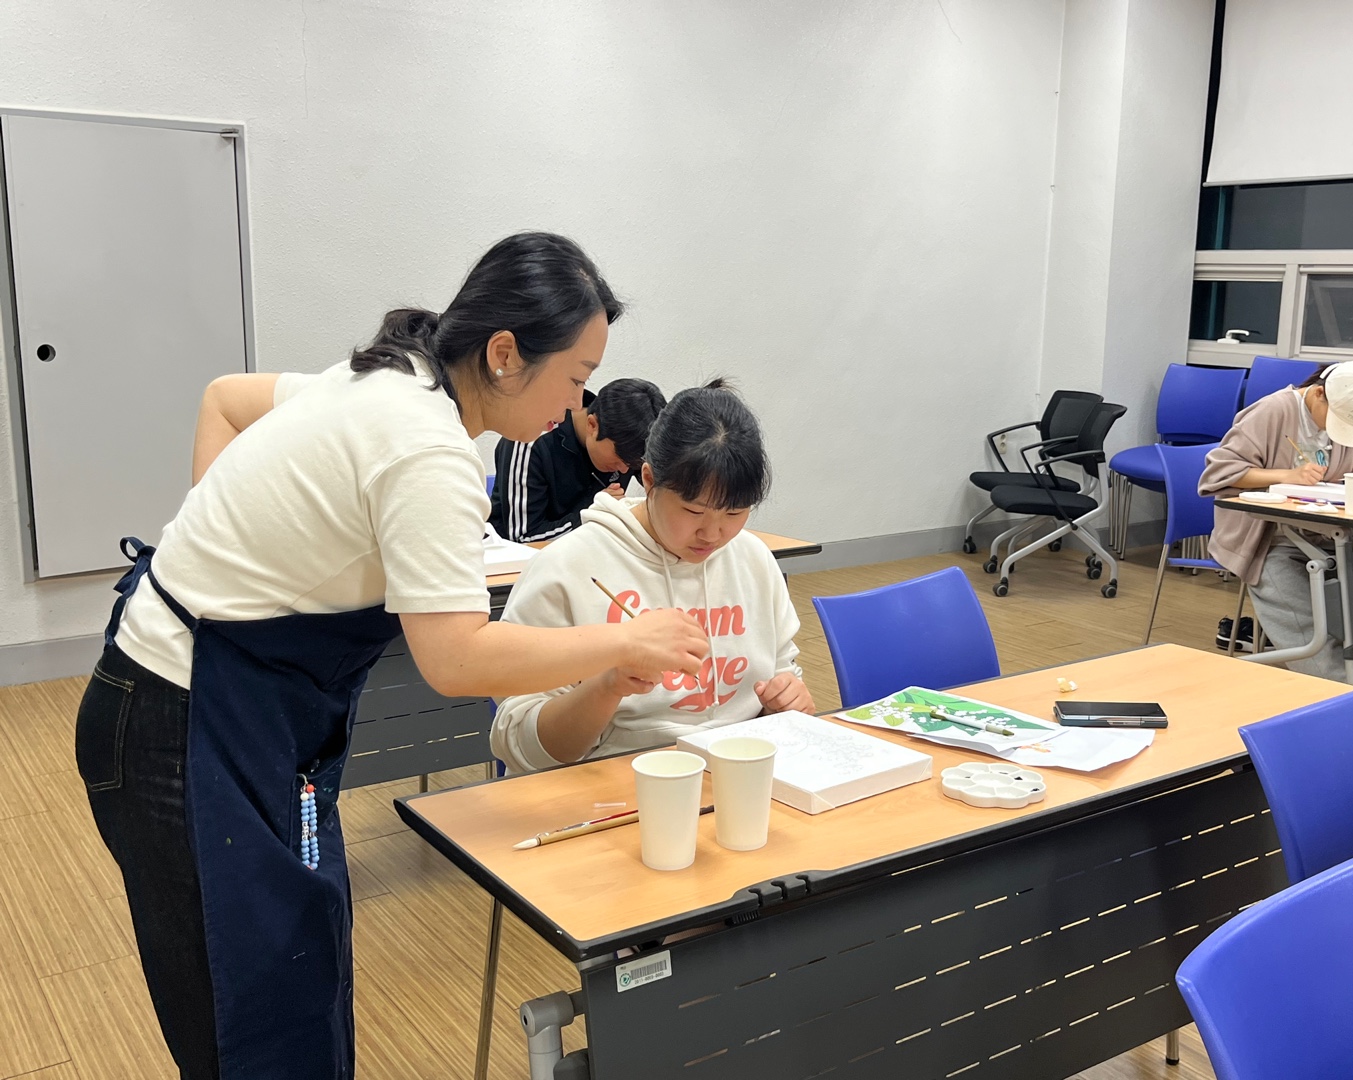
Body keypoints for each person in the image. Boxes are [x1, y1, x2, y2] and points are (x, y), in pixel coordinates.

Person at [73, 232, 708, 1080]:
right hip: (179, 719)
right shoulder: (423, 442)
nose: (576, 403)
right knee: (246, 1006)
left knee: (299, 957)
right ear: (505, 354)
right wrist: (626, 641)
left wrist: (225, 543)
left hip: (241, 713)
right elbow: (455, 659)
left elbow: (224, 398)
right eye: (575, 377)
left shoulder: (389, 377)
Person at [491, 380, 814, 773]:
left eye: (734, 513)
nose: (713, 534)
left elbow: (783, 676)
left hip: (736, 774)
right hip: (614, 782)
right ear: (648, 479)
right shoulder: (568, 568)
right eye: (694, 511)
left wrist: (785, 704)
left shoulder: (753, 559)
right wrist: (608, 685)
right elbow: (520, 745)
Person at [1199, 359, 1353, 684]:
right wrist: (1286, 475)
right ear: (1318, 393)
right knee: (1308, 630)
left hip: (1329, 537)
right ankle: (1349, 695)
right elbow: (1218, 473)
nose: (1337, 430)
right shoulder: (1273, 411)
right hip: (1270, 540)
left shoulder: (1349, 411)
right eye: (1336, 419)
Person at [490, 376, 666, 541]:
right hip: (517, 558)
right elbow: (523, 538)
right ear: (592, 425)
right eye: (620, 458)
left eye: (632, 463)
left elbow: (669, 493)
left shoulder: (631, 438)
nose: (624, 469)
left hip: (594, 551)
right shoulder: (530, 440)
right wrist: (593, 514)